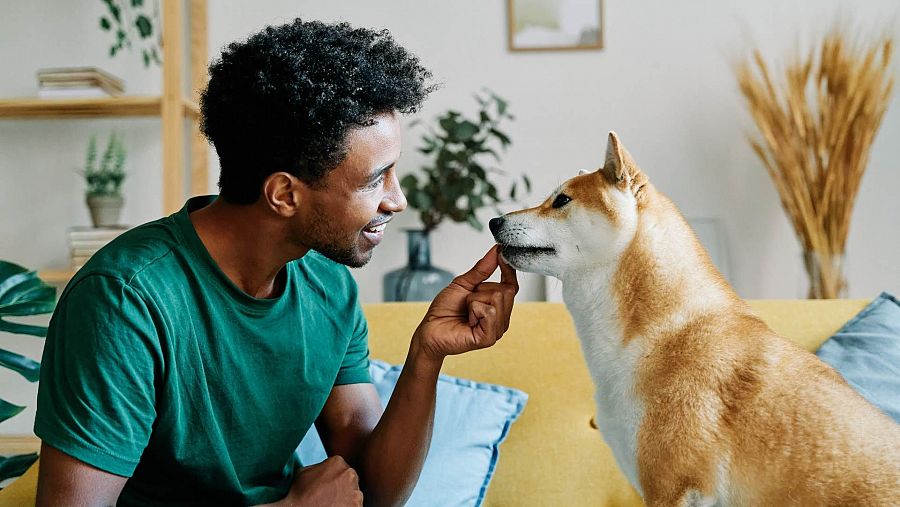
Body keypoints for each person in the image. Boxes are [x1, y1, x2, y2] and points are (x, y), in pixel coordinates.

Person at [33, 19, 518, 507]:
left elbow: (374, 491)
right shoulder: (124, 301)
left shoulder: (327, 282)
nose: (398, 200)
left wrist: (426, 355)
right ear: (284, 193)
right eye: (375, 180)